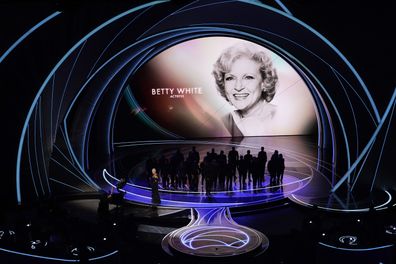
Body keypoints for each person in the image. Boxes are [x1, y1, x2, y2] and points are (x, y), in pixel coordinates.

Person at [212, 42, 279, 136]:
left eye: (248, 77)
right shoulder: (222, 123)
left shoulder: (283, 118)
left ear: (264, 82)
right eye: (230, 78)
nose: (238, 87)